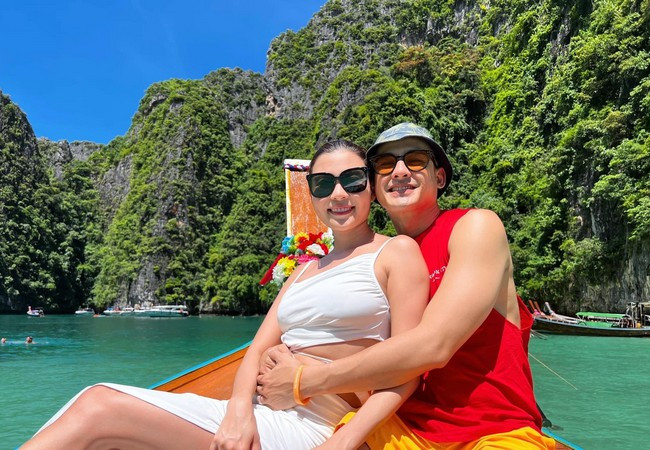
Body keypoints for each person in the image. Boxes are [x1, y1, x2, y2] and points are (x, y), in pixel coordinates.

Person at [22, 139, 430, 450]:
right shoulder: (305, 269)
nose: (338, 194)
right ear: (312, 193)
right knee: (93, 404)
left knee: (100, 406)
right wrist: (238, 412)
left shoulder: (395, 253)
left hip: (315, 426)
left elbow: (407, 370)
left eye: (352, 180)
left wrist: (344, 441)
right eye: (324, 184)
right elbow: (257, 349)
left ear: (370, 188)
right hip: (257, 411)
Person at [257, 123, 556, 449]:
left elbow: (434, 346)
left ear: (439, 177)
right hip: (402, 425)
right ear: (373, 186)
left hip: (494, 430)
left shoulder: (474, 227)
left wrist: (303, 381)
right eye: (385, 164)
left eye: (415, 160)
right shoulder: (383, 259)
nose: (399, 171)